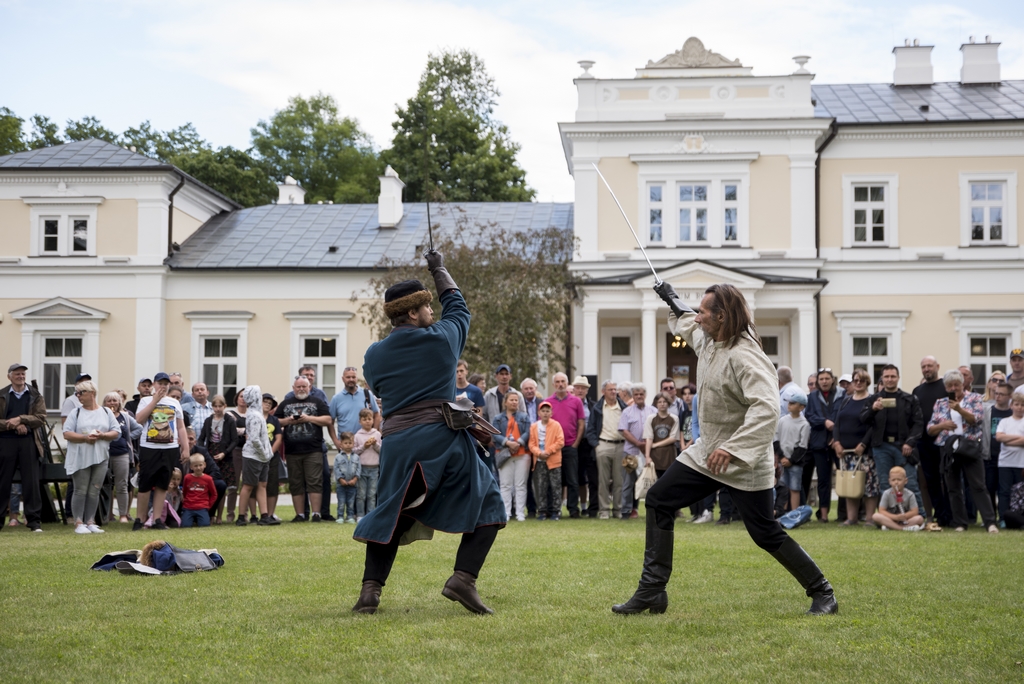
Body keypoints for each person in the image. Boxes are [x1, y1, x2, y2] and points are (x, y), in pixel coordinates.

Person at [613, 281, 837, 616]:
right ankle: (653, 591)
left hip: (744, 459)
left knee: (765, 533)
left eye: (704, 312)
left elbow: (766, 409)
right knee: (659, 499)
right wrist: (673, 300)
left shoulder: (746, 355)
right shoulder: (710, 339)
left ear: (722, 316)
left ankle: (823, 593)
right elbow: (688, 324)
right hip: (708, 453)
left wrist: (733, 449)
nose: (698, 317)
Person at [352, 251, 506, 616]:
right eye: (425, 306)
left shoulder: (374, 355)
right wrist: (438, 268)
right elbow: (458, 307)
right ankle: (463, 579)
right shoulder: (441, 339)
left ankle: (370, 591)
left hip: (398, 445)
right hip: (442, 441)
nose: (431, 310)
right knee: (490, 503)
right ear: (411, 313)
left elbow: (379, 389)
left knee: (393, 512)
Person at [926, 370, 997, 533]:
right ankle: (960, 523)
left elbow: (976, 420)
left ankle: (990, 522)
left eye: (956, 384)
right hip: (948, 448)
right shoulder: (940, 403)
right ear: (945, 387)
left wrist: (960, 409)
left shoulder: (974, 398)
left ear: (962, 384)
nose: (953, 388)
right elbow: (930, 428)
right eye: (949, 385)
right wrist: (942, 426)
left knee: (978, 485)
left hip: (969, 447)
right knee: (953, 487)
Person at [861, 364, 924, 510]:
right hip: (881, 447)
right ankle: (890, 517)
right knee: (885, 485)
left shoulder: (909, 399)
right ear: (882, 379)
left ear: (898, 378)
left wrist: (910, 442)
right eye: (887, 377)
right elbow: (863, 419)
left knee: (911, 484)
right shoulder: (874, 399)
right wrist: (873, 409)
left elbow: (918, 423)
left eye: (893, 376)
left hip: (903, 446)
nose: (890, 379)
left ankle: (919, 516)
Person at [133, 372, 190, 531]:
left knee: (162, 484)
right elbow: (139, 420)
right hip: (149, 447)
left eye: (166, 384)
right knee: (145, 484)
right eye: (160, 383)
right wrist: (155, 401)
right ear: (154, 385)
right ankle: (140, 519)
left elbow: (180, 427)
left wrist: (185, 448)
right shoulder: (145, 400)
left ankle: (157, 519)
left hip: (169, 448)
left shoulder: (174, 402)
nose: (163, 386)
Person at [63, 380, 120, 534]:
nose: (78, 396)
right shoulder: (76, 412)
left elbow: (116, 431)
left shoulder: (106, 412)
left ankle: (90, 521)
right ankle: (78, 523)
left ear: (92, 393)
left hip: (101, 455)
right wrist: (85, 438)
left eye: (81, 393)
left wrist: (103, 435)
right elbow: (67, 433)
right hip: (80, 456)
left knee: (95, 490)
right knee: (80, 490)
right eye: (77, 393)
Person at [276, 376, 332, 522]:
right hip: (292, 450)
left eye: (304, 386)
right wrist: (288, 421)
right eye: (298, 387)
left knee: (315, 482)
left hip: (313, 449)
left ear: (309, 387)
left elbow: (328, 419)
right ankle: (300, 515)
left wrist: (309, 418)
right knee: (296, 483)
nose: (301, 389)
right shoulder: (285, 403)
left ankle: (316, 514)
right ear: (293, 388)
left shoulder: (317, 402)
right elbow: (275, 421)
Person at [832, 369, 878, 526]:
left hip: (865, 452)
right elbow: (837, 423)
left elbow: (874, 425)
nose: (858, 383)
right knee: (850, 484)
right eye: (855, 380)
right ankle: (851, 518)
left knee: (869, 485)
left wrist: (864, 444)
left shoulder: (872, 400)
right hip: (846, 452)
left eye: (862, 381)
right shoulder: (846, 401)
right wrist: (836, 443)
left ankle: (870, 518)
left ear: (867, 382)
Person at [913, 356, 950, 526]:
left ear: (938, 366)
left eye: (930, 365)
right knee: (931, 481)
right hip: (924, 442)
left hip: (945, 441)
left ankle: (952, 515)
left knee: (948, 480)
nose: (927, 369)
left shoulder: (946, 387)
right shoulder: (917, 391)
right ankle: (940, 515)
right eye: (924, 366)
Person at [803, 368, 843, 521]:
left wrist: (835, 436)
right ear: (818, 382)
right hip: (819, 443)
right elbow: (809, 416)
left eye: (827, 378)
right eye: (821, 379)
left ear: (832, 380)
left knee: (842, 477)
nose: (824, 381)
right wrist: (824, 422)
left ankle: (843, 514)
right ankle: (824, 514)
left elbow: (843, 415)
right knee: (823, 480)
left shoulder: (841, 394)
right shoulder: (812, 397)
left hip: (838, 443)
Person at [545, 373, 586, 518]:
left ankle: (573, 509)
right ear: (553, 385)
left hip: (570, 445)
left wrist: (576, 443)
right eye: (557, 382)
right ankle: (553, 509)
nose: (560, 384)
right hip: (553, 448)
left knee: (572, 479)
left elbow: (581, 423)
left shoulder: (576, 401)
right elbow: (543, 424)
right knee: (553, 480)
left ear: (567, 383)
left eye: (563, 381)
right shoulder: (547, 402)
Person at [236, 385, 277, 526]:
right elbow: (254, 439)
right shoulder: (254, 415)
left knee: (262, 485)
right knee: (248, 485)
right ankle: (241, 516)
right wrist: (264, 453)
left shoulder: (256, 413)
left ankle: (264, 515)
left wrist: (267, 453)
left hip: (262, 456)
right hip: (253, 456)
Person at [587, 380, 626, 520]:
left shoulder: (623, 407)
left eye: (615, 389)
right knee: (603, 481)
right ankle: (604, 510)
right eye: (610, 389)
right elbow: (590, 429)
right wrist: (596, 446)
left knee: (619, 480)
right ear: (603, 391)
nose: (614, 392)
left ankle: (617, 509)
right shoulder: (597, 408)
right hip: (603, 445)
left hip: (621, 445)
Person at [103, 391, 142, 523]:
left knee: (122, 485)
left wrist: (127, 438)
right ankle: (107, 515)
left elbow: (139, 428)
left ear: (119, 402)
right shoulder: (101, 416)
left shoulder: (125, 417)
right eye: (109, 400)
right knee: (105, 485)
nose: (112, 403)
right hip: (104, 454)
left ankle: (123, 515)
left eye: (115, 400)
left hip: (122, 454)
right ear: (105, 403)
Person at [618, 384, 655, 519]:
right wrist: (638, 443)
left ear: (645, 395)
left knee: (649, 481)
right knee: (628, 482)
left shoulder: (653, 411)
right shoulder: (627, 412)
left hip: (649, 452)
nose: (639, 396)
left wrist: (647, 445)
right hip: (631, 452)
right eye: (636, 394)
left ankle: (651, 509)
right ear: (632, 396)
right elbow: (624, 431)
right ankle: (626, 510)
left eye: (641, 394)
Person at [198, 395, 237, 522]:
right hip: (210, 454)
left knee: (223, 486)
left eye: (220, 406)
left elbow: (234, 440)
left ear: (225, 406)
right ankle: (211, 514)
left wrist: (225, 453)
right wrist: (202, 453)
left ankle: (220, 516)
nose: (218, 409)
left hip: (224, 455)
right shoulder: (208, 420)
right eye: (215, 406)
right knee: (210, 485)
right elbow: (202, 438)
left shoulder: (229, 420)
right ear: (212, 407)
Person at [493, 392, 531, 521]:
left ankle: (520, 513)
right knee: (505, 484)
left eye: (516, 400)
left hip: (522, 453)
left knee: (520, 484)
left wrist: (518, 442)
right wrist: (507, 443)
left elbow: (528, 432)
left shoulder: (524, 416)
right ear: (505, 402)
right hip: (504, 453)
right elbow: (495, 433)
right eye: (512, 400)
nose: (514, 402)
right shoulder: (498, 418)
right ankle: (506, 513)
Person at [776, 392, 810, 513]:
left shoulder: (804, 424)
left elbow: (803, 446)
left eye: (792, 403)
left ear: (801, 407)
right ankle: (782, 512)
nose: (789, 405)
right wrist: (781, 457)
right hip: (782, 460)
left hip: (795, 462)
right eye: (788, 402)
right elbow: (776, 439)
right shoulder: (782, 420)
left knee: (795, 488)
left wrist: (791, 460)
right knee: (783, 488)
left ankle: (794, 514)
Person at [530, 401, 564, 521]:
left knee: (556, 486)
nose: (545, 413)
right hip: (539, 460)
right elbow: (531, 443)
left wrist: (548, 451)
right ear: (539, 413)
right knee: (541, 486)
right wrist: (539, 453)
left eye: (547, 411)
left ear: (551, 413)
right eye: (543, 411)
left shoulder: (556, 425)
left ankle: (556, 510)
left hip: (553, 460)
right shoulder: (534, 426)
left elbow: (560, 441)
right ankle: (542, 511)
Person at [982, 380, 1012, 519]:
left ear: (1009, 396)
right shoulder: (988, 411)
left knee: (1005, 490)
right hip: (990, 456)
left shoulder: (1013, 413)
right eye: (996, 393)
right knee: (989, 488)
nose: (998, 396)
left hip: (1008, 457)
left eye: (1001, 394)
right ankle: (990, 517)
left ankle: (1005, 517)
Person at [185, 427, 227, 521]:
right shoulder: (174, 452)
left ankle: (209, 514)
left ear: (195, 441)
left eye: (191, 439)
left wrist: (202, 481)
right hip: (181, 486)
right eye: (185, 438)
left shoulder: (202, 451)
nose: (188, 442)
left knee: (220, 484)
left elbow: (216, 471)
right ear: (180, 440)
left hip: (199, 485)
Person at [995, 391, 1024, 525]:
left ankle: (1018, 517)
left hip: (1021, 463)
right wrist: (1019, 438)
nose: (1019, 407)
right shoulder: (1005, 422)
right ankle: (1003, 518)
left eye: (1022, 405)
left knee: (1019, 492)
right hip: (1005, 463)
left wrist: (1008, 440)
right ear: (1011, 405)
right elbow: (999, 437)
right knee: (1004, 491)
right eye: (1017, 404)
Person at [871, 466, 925, 531]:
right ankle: (902, 528)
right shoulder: (886, 493)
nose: (896, 482)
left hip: (905, 520)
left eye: (899, 480)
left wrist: (904, 516)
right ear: (889, 481)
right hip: (890, 519)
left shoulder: (910, 494)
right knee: (875, 516)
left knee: (919, 518)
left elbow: (914, 511)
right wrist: (895, 517)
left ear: (905, 481)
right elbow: (881, 510)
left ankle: (891, 527)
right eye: (893, 480)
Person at [353, 408, 382, 521]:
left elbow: (382, 451)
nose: (367, 421)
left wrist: (374, 445)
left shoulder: (377, 434)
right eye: (364, 419)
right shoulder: (357, 435)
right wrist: (364, 446)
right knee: (361, 494)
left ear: (373, 420)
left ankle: (371, 515)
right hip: (361, 468)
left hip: (374, 468)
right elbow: (354, 452)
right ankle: (360, 515)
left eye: (369, 419)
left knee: (372, 494)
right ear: (360, 421)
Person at [644, 393, 680, 477]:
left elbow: (673, 438)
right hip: (655, 456)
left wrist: (655, 445)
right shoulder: (651, 418)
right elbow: (649, 438)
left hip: (669, 455)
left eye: (664, 402)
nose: (662, 404)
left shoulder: (674, 418)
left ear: (668, 403)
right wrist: (647, 456)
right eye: (659, 402)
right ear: (656, 404)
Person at [262, 393, 284, 521]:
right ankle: (255, 514)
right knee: (255, 485)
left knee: (272, 485)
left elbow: (278, 438)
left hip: (272, 457)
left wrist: (270, 453)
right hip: (256, 456)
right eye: (265, 402)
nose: (267, 405)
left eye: (270, 403)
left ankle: (270, 514)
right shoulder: (254, 418)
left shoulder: (274, 420)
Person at [181, 454, 218, 528]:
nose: (198, 468)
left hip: (202, 507)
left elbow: (214, 494)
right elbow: (184, 491)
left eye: (200, 465)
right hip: (188, 507)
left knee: (204, 525)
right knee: (185, 525)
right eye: (195, 466)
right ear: (191, 467)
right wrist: (185, 501)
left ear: (204, 465)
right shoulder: (187, 478)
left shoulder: (208, 479)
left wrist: (208, 505)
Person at [333, 432, 360, 524]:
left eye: (350, 443)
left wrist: (355, 479)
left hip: (352, 484)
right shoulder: (338, 457)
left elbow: (358, 469)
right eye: (346, 443)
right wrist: (341, 479)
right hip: (341, 485)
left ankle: (350, 516)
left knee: (351, 502)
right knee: (341, 501)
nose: (348, 445)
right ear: (341, 444)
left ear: (353, 444)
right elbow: (336, 469)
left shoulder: (356, 457)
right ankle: (340, 516)